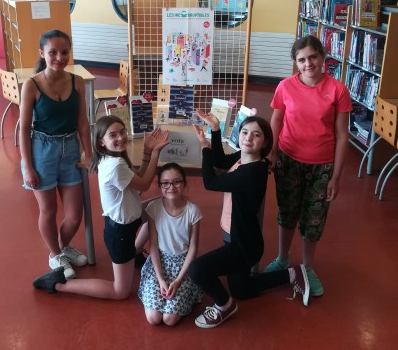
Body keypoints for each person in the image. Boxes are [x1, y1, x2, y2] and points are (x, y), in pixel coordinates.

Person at [189, 111, 310, 329]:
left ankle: (224, 307)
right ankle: (293, 273)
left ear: (265, 143)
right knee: (242, 289)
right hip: (238, 235)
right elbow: (221, 160)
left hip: (243, 244)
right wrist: (215, 131)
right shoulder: (244, 158)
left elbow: (211, 182)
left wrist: (205, 147)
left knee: (197, 270)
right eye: (245, 132)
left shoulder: (253, 171)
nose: (248, 138)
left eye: (256, 135)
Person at [32, 116, 169, 300]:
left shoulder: (112, 158)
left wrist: (146, 151)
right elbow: (144, 185)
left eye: (122, 132)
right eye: (113, 135)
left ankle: (135, 252)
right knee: (119, 292)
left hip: (127, 222)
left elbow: (138, 182)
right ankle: (59, 284)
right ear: (101, 142)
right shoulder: (115, 165)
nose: (120, 137)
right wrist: (155, 154)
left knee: (157, 206)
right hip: (120, 233)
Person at [264, 35, 352, 297]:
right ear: (295, 63)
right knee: (287, 211)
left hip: (322, 167)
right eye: (301, 59)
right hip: (288, 161)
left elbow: (343, 135)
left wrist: (336, 177)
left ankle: (308, 267)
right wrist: (272, 152)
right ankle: (282, 257)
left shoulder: (338, 90)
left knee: (313, 220)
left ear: (323, 57)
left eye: (313, 57)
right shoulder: (285, 87)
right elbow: (276, 120)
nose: (308, 63)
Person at [19, 29, 92, 280]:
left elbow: (83, 122)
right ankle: (55, 254)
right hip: (42, 151)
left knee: (74, 215)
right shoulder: (31, 85)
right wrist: (27, 167)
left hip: (70, 149)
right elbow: (23, 129)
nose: (59, 58)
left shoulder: (77, 81)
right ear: (42, 53)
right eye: (53, 53)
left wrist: (89, 153)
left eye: (64, 52)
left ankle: (61, 249)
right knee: (48, 211)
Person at [138, 163, 203, 326]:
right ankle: (156, 286)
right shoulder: (154, 208)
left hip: (183, 265)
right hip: (159, 263)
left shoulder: (193, 211)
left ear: (184, 183)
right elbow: (153, 244)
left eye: (177, 182)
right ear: (159, 185)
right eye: (165, 183)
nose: (171, 187)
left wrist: (178, 280)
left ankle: (184, 293)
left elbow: (193, 248)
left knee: (169, 319)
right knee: (154, 318)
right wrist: (160, 280)